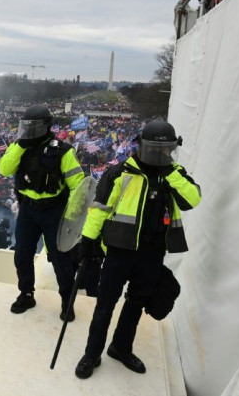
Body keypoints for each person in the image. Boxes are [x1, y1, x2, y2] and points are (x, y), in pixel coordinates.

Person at [74, 120, 201, 379]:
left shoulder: (175, 174)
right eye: (153, 148)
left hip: (152, 252)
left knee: (135, 303)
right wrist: (87, 241)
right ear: (140, 146)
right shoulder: (119, 173)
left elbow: (193, 199)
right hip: (119, 252)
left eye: (164, 149)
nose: (158, 154)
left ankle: (120, 348)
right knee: (105, 304)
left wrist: (171, 173)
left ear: (172, 149)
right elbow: (99, 210)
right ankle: (92, 353)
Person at [0, 105, 85, 321]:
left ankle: (67, 300)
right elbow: (4, 169)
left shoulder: (63, 151)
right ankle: (26, 294)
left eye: (34, 126)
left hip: (54, 211)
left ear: (47, 126)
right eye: (26, 126)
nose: (29, 130)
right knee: (22, 255)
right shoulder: (19, 146)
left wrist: (70, 215)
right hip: (28, 209)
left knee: (60, 259)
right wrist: (20, 146)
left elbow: (78, 184)